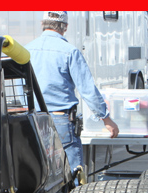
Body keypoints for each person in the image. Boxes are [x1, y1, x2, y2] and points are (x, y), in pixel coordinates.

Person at [26, 11, 119, 175]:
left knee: (42, 175)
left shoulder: (26, 50)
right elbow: (87, 90)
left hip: (33, 120)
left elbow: (21, 86)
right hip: (61, 119)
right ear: (65, 27)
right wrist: (106, 118)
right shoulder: (69, 51)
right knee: (72, 174)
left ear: (42, 24)